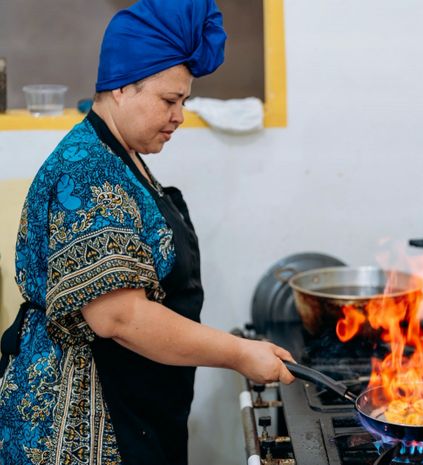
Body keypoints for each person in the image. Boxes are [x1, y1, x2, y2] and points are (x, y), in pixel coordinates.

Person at [0, 1, 295, 464]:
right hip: (84, 421)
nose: (179, 116)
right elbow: (119, 317)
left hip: (132, 403)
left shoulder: (121, 154)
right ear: (120, 88)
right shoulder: (89, 173)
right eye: (169, 100)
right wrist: (238, 353)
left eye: (184, 102)